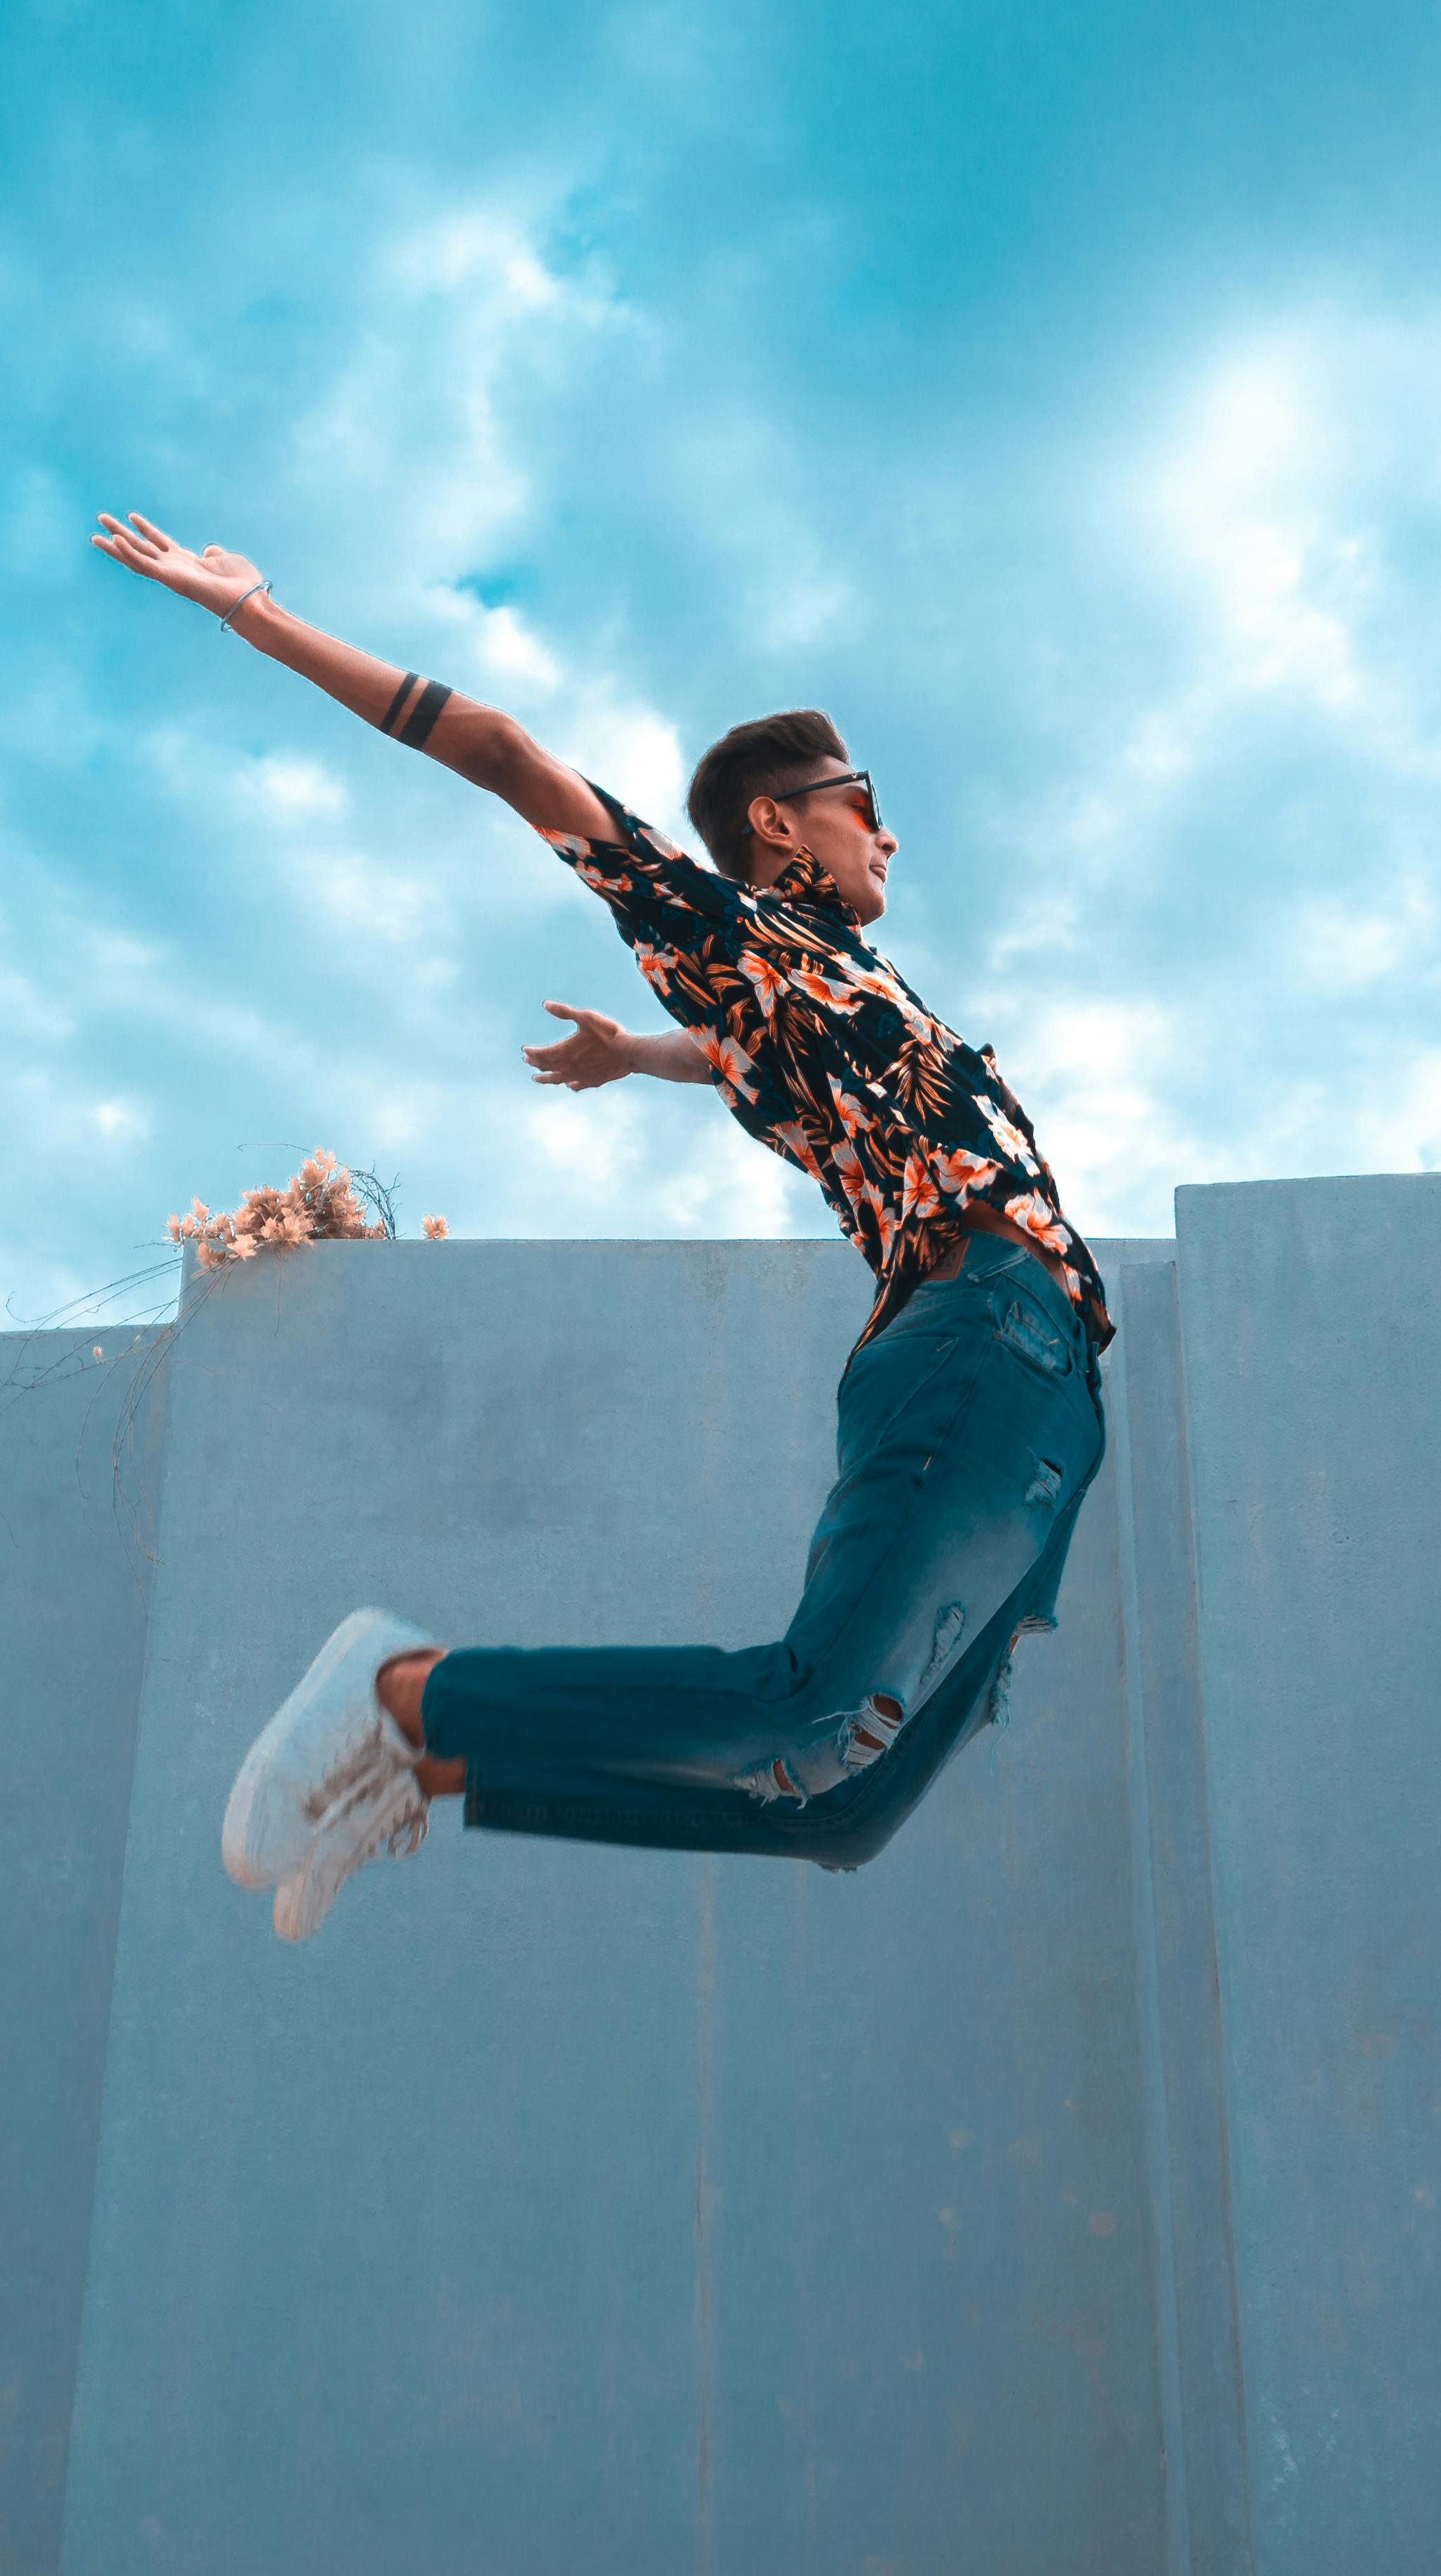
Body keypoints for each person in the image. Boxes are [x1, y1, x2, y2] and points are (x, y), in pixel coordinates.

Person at [93, 511, 1112, 1940]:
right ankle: (404, 1690)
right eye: (860, 799)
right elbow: (509, 755)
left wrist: (640, 1054)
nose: (888, 829)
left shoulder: (821, 995)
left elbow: (759, 1057)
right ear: (779, 819)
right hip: (978, 1333)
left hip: (1056, 1398)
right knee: (811, 1701)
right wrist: (258, 614)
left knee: (842, 1805)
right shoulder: (729, 923)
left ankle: (435, 1763)